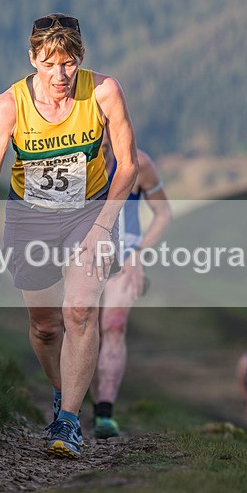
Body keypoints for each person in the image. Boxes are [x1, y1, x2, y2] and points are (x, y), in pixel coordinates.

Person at [0, 13, 139, 459]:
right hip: (30, 217)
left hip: (89, 211)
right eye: (48, 64)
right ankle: (65, 392)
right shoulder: (10, 105)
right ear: (32, 59)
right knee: (45, 328)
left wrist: (103, 228)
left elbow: (129, 165)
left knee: (80, 309)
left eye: (69, 63)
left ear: (80, 58)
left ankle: (68, 421)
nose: (60, 75)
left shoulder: (104, 92)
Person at [88, 134, 172, 439]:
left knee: (114, 325)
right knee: (86, 328)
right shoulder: (77, 160)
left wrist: (139, 252)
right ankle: (88, 402)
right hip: (83, 257)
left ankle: (104, 412)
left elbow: (163, 213)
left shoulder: (140, 163)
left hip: (124, 259)